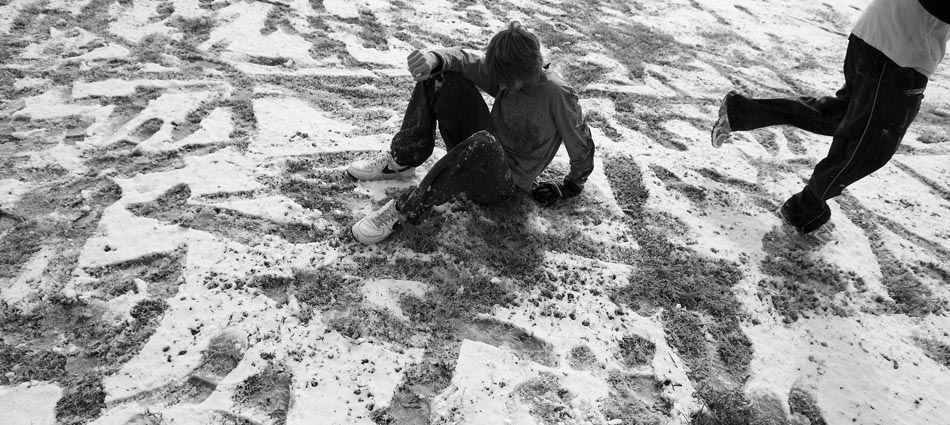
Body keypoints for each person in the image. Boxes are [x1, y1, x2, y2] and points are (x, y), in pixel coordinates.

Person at [711, 0, 950, 237]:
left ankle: (739, 113)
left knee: (841, 117)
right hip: (900, 55)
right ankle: (802, 211)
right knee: (870, 147)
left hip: (876, 34)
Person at [348, 22, 596, 244]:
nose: (501, 84)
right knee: (441, 76)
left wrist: (571, 186)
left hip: (503, 184)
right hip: (479, 151)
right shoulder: (505, 74)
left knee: (485, 143)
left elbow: (581, 143)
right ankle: (402, 159)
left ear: (529, 68)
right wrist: (433, 58)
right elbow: (464, 60)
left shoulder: (557, 93)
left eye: (507, 79)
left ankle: (406, 209)